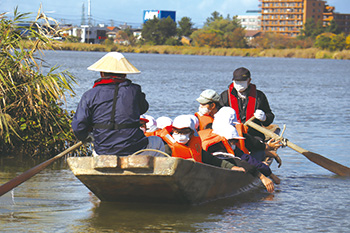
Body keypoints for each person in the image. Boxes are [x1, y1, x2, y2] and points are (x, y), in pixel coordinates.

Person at [71, 52, 165, 156]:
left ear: (101, 73)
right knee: (158, 142)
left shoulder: (89, 95)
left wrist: (87, 137)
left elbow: (78, 126)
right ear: (124, 74)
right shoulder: (135, 91)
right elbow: (143, 108)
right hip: (135, 148)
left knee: (95, 148)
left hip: (102, 150)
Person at [219, 67, 279, 161]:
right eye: (237, 81)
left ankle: (259, 161)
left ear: (249, 80)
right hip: (232, 136)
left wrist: (264, 117)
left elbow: (269, 118)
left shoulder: (259, 96)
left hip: (254, 136)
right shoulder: (225, 96)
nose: (239, 84)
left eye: (242, 81)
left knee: (256, 157)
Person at [157, 115, 245, 172]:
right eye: (177, 132)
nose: (180, 135)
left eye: (184, 132)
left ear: (191, 133)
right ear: (173, 131)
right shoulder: (166, 147)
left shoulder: (196, 147)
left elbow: (213, 160)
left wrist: (232, 167)